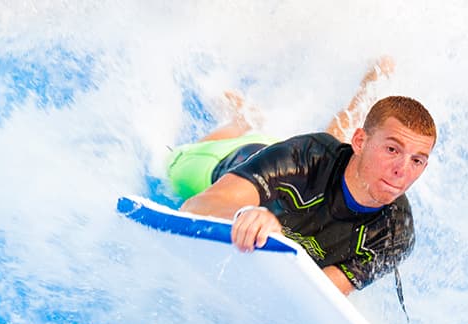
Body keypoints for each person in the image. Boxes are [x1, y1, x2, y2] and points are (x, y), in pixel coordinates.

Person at [167, 58, 436, 298]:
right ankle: (240, 122)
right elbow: (195, 206)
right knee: (171, 167)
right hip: (232, 159)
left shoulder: (395, 232)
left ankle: (371, 87)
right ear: (359, 141)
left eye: (417, 160)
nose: (402, 170)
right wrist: (243, 215)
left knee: (340, 161)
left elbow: (319, 293)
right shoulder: (304, 157)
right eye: (392, 150)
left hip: (321, 165)